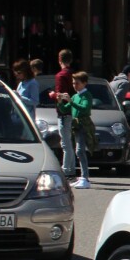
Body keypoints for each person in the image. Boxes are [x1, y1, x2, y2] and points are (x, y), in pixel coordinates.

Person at [65, 71, 98, 188]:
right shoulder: (75, 96)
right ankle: (83, 177)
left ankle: (85, 178)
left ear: (84, 83)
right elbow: (65, 109)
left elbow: (84, 108)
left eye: (77, 83)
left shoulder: (86, 95)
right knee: (78, 150)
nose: (75, 85)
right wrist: (59, 101)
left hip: (84, 125)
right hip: (76, 126)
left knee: (80, 151)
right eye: (73, 83)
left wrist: (71, 102)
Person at [50, 49, 77, 178]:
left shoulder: (61, 75)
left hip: (64, 111)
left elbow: (61, 95)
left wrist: (53, 95)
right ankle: (70, 168)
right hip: (73, 110)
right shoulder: (74, 74)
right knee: (70, 142)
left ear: (59, 59)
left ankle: (67, 170)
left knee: (65, 143)